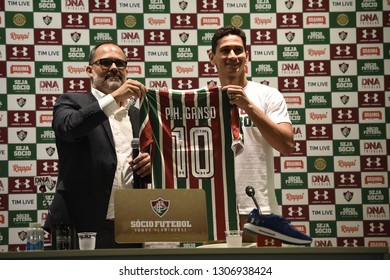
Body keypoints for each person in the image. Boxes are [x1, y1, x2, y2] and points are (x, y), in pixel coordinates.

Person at [208, 26, 311, 245]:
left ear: (247, 55)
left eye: (238, 50)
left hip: (258, 210)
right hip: (215, 209)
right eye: (225, 51)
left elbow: (286, 145)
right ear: (212, 57)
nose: (233, 56)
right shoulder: (203, 101)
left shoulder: (268, 96)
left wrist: (248, 106)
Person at [44, 42, 151, 249]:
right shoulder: (71, 102)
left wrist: (151, 164)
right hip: (80, 225)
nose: (113, 68)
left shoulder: (139, 116)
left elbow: (153, 161)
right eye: (105, 62)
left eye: (120, 63)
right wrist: (114, 98)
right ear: (89, 70)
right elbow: (69, 128)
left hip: (132, 225)